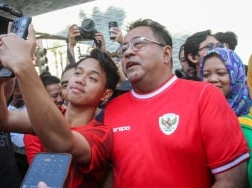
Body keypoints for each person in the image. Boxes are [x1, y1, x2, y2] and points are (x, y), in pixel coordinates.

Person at [103, 18, 249, 187]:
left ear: (166, 54)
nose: (128, 52)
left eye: (138, 44)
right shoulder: (112, 109)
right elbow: (113, 175)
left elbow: (232, 180)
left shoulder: (204, 96)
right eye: (124, 48)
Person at [0, 25, 120, 187]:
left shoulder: (101, 135)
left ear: (106, 94)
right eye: (77, 73)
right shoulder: (54, 115)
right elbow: (0, 120)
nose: (79, 79)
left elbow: (63, 142)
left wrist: (24, 64)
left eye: (92, 78)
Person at [199, 47, 252, 185]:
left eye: (221, 73)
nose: (212, 79)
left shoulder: (248, 113)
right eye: (205, 74)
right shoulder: (198, 112)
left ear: (236, 74)